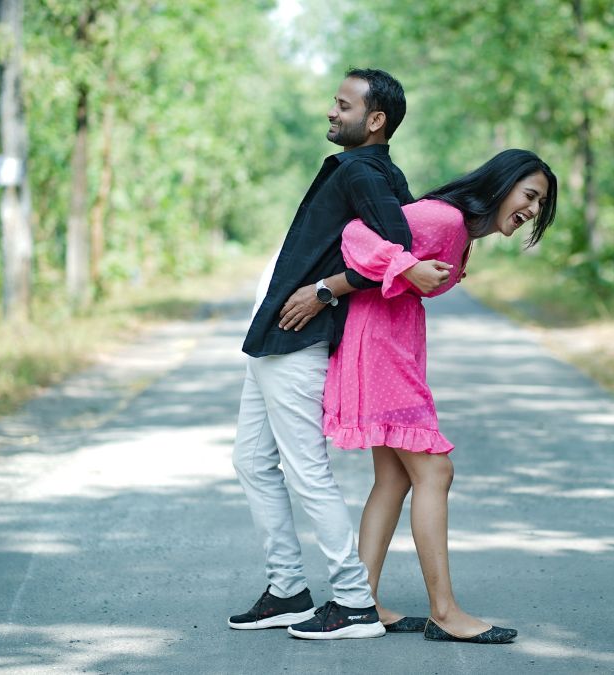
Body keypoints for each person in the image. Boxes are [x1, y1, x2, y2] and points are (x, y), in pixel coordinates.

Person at [228, 68, 450, 641]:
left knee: (307, 471)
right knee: (252, 462)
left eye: (343, 105)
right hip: (274, 336)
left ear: (375, 121)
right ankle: (287, 591)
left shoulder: (368, 171)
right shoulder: (357, 169)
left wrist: (329, 289)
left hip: (299, 340)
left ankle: (353, 601)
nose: (332, 111)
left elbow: (395, 251)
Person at [323, 149, 559, 644]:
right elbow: (356, 235)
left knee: (393, 477)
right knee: (435, 469)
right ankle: (445, 612)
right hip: (382, 347)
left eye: (540, 205)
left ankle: (358, 601)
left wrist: (407, 271)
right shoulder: (444, 218)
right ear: (502, 183)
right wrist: (406, 266)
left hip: (390, 343)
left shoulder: (459, 233)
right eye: (530, 196)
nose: (533, 210)